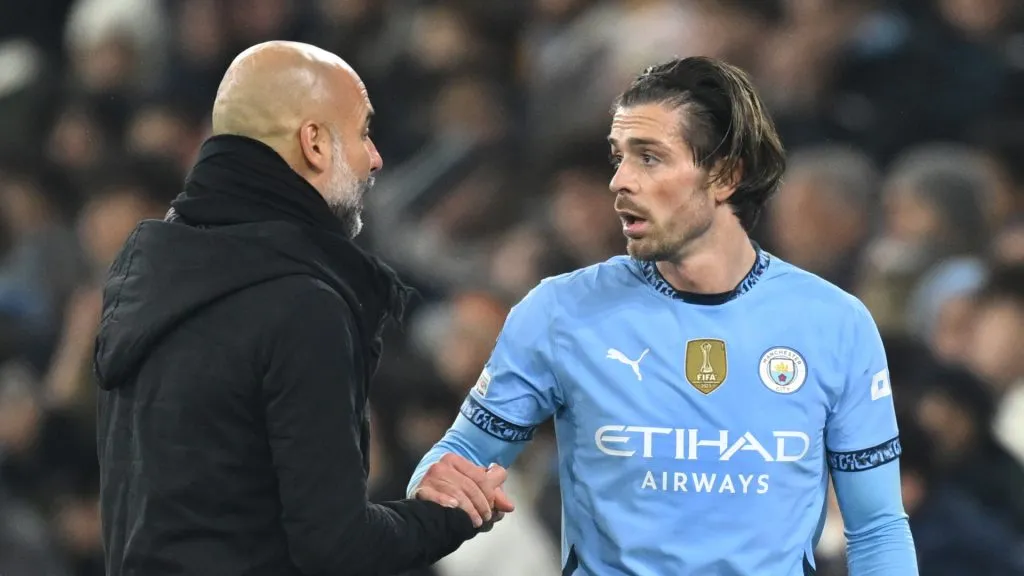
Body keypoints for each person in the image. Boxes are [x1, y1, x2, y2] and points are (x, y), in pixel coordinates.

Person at [409, 57, 919, 575]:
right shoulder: (560, 312)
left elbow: (877, 527)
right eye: (619, 158)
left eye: (649, 158)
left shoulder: (834, 324)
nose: (619, 181)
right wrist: (437, 481)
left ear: (726, 174)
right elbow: (459, 454)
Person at [94, 41, 512, 576]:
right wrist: (447, 515)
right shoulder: (300, 303)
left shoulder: (147, 278)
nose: (375, 157)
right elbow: (336, 548)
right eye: (362, 133)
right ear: (313, 143)